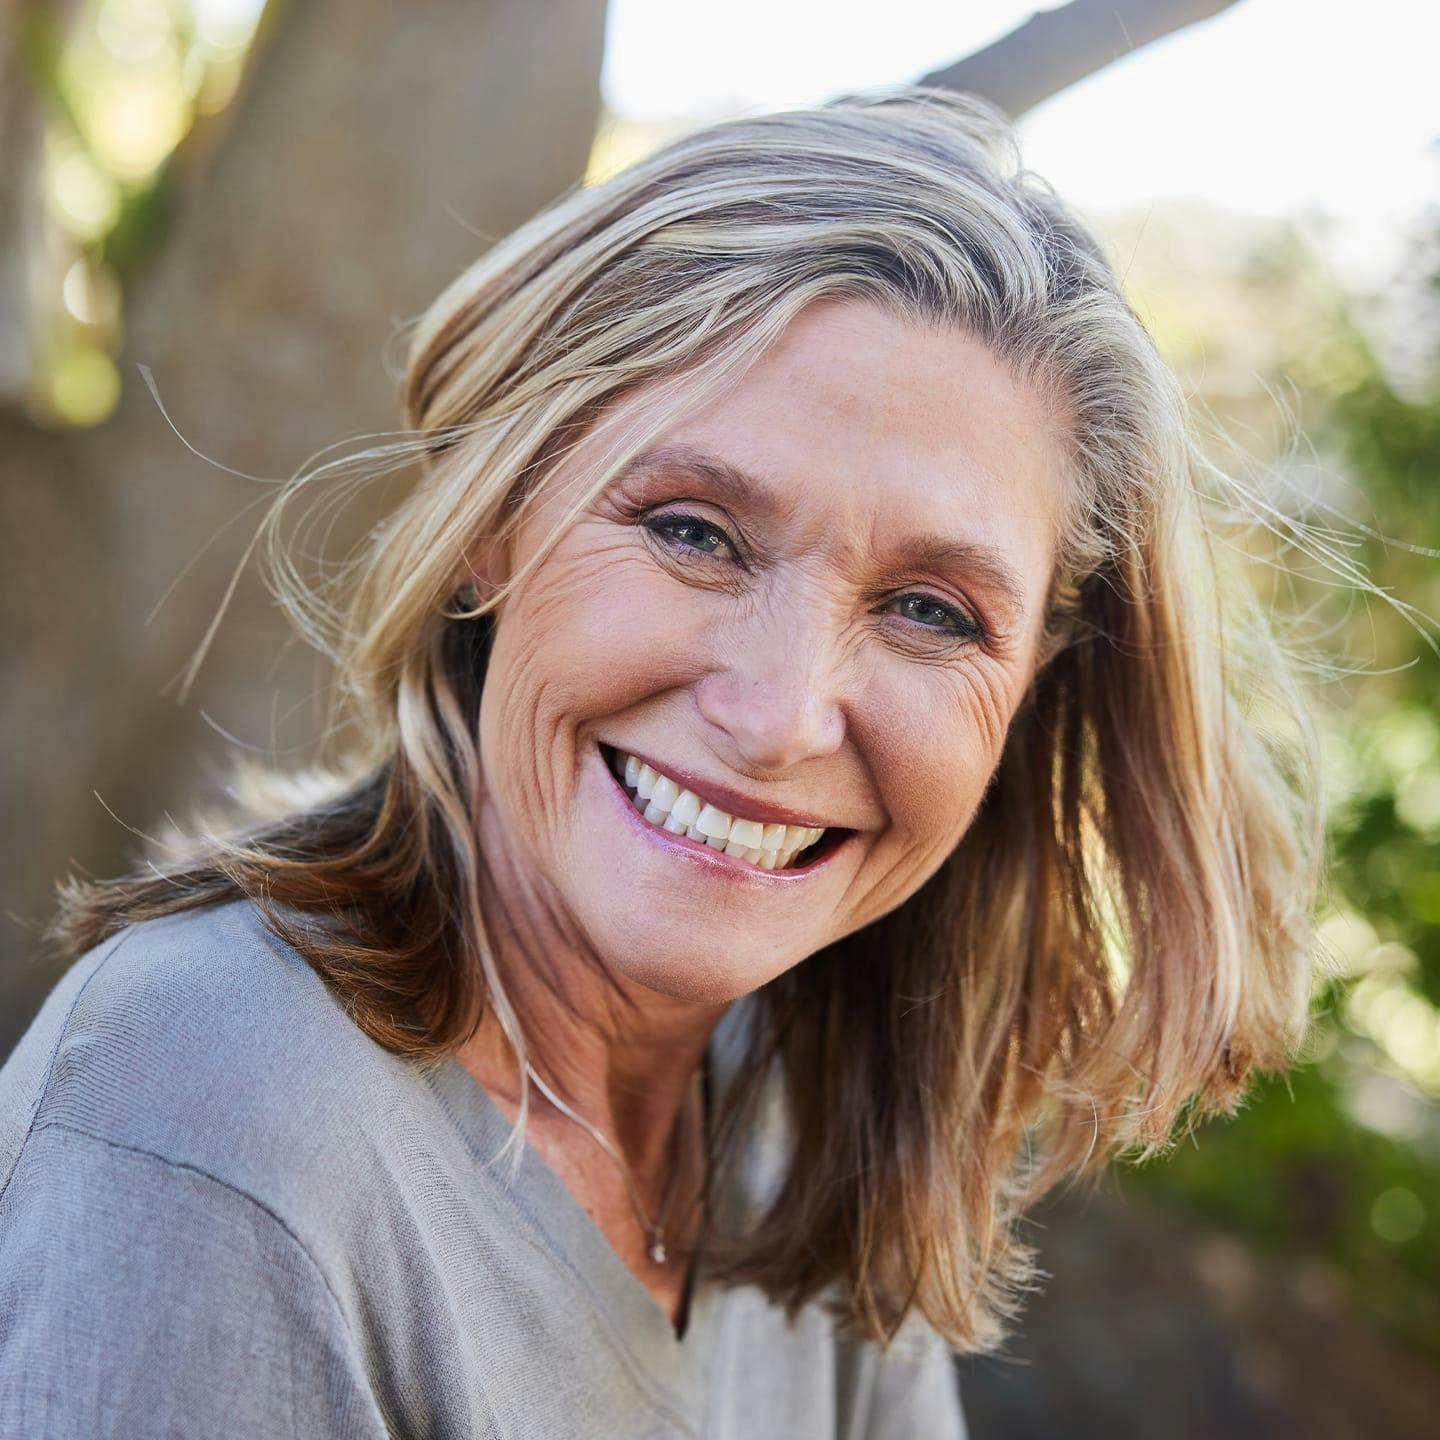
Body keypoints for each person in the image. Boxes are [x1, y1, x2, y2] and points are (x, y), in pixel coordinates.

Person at [0, 88, 1323, 1437]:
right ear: (493, 516)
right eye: (694, 531)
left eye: (930, 612)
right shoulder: (213, 1104)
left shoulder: (796, 1129)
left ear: (1030, 690)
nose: (781, 715)